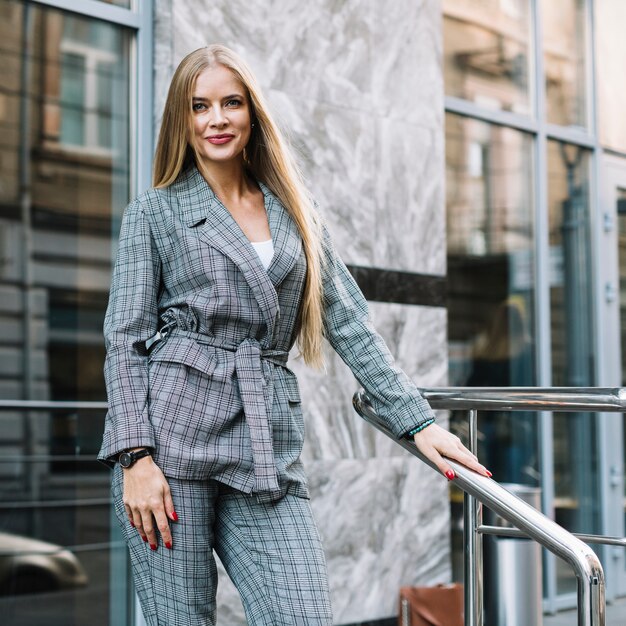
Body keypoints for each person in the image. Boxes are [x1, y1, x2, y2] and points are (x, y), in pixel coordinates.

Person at [98, 44, 490, 626]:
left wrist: (418, 421)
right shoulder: (154, 213)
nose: (216, 119)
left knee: (300, 612)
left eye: (231, 103)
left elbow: (350, 322)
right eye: (199, 106)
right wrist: (135, 457)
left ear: (252, 112)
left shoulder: (295, 213)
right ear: (183, 119)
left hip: (265, 445)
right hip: (169, 446)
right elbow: (125, 340)